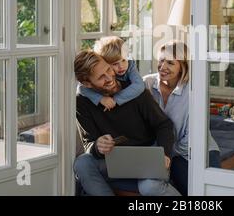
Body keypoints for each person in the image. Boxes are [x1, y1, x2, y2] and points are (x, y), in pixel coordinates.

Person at [73, 50, 181, 196]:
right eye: (101, 77)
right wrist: (97, 145)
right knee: (82, 163)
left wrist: (165, 154)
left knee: (149, 187)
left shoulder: (134, 90)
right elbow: (88, 143)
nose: (110, 77)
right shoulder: (82, 101)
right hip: (112, 162)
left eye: (108, 69)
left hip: (145, 158)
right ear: (87, 83)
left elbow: (164, 125)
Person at [143, 40, 220, 196]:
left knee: (202, 193)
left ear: (182, 67)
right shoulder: (147, 84)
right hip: (163, 153)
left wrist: (165, 155)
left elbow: (192, 139)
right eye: (161, 60)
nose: (163, 67)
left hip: (197, 151)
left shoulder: (195, 90)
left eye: (170, 63)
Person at [78, 36, 144, 111]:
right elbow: (82, 88)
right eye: (115, 64)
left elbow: (139, 85)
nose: (121, 66)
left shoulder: (130, 65)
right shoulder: (104, 72)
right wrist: (101, 99)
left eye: (123, 60)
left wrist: (115, 99)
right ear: (104, 63)